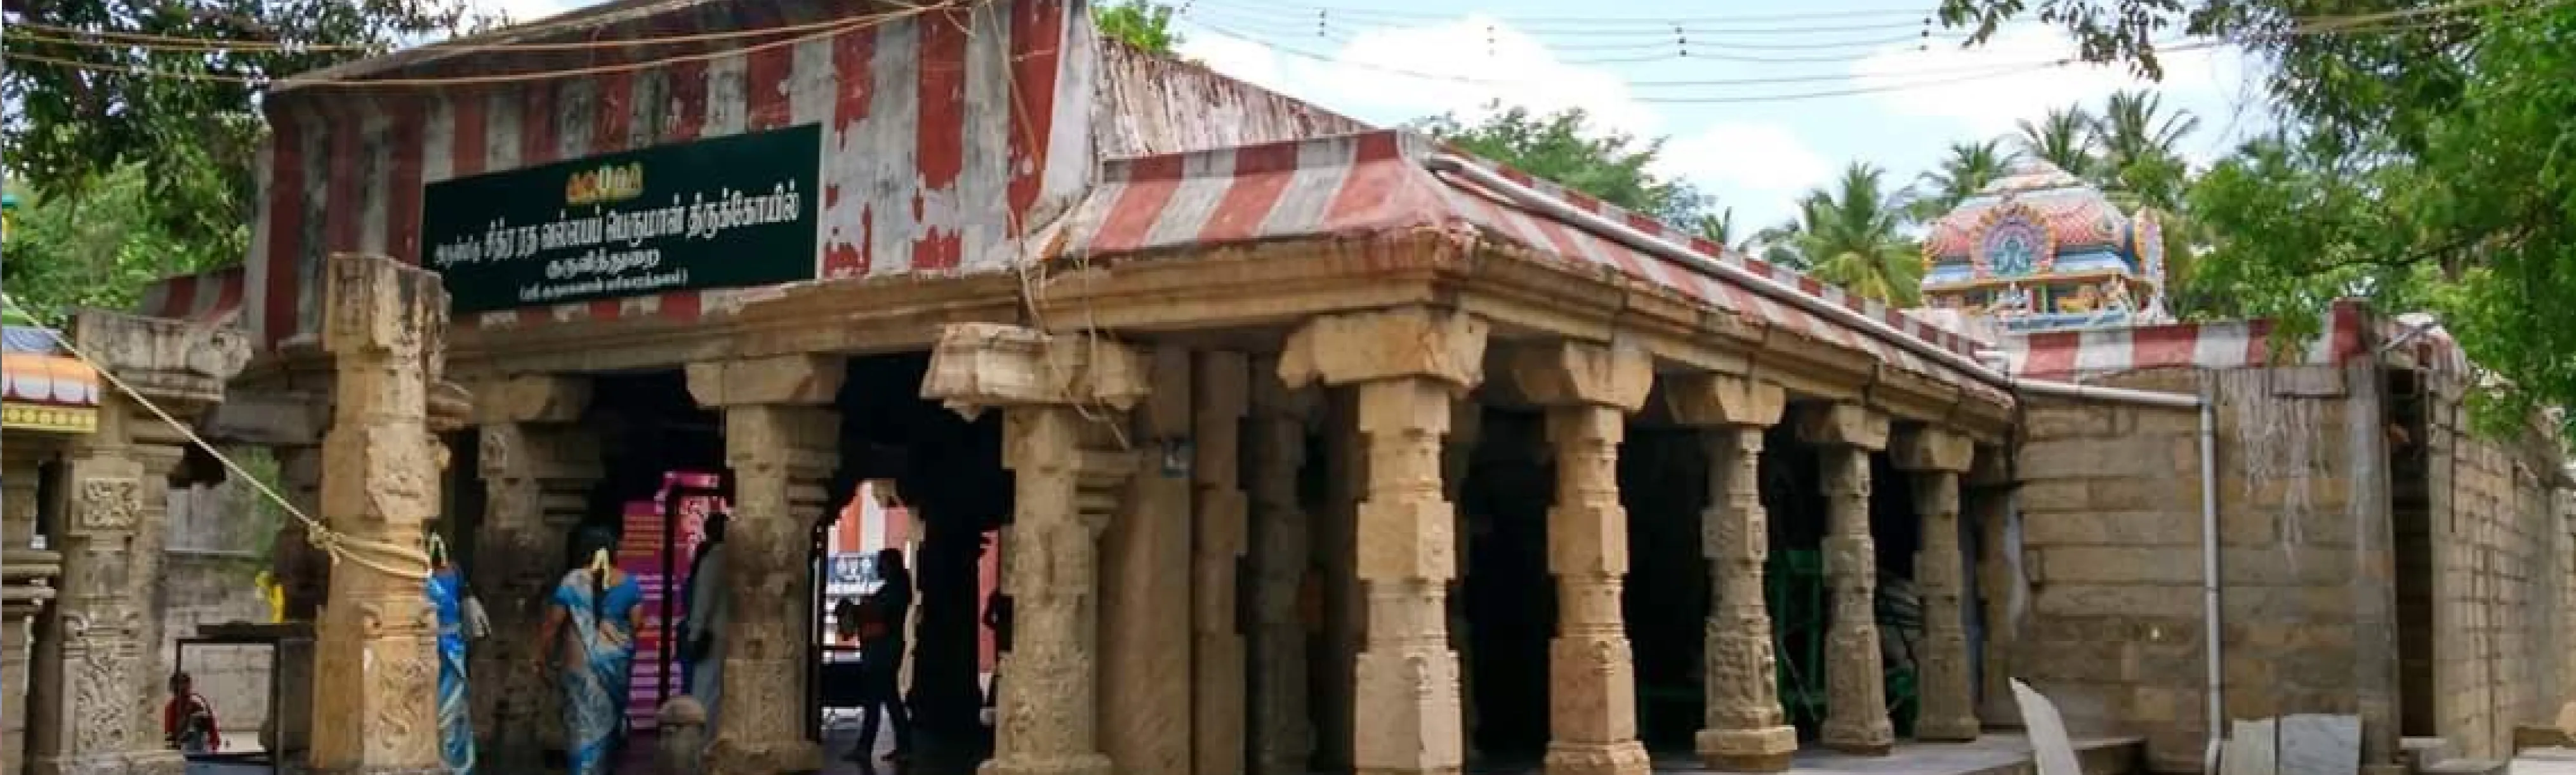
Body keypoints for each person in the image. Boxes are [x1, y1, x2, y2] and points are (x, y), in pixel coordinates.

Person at [537, 532, 645, 775]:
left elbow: (553, 623)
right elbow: (638, 624)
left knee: (581, 727)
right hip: (615, 667)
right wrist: (612, 633)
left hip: (580, 665)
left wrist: (542, 657)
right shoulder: (629, 584)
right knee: (609, 724)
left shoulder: (572, 582)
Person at [850, 548, 913, 765]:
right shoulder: (894, 589)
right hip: (883, 651)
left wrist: (859, 609)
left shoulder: (895, 591)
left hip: (883, 652)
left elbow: (880, 613)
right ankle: (900, 746)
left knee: (878, 699)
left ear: (891, 566)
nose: (878, 567)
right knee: (887, 699)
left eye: (882, 564)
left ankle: (867, 747)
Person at [428, 536, 477, 775]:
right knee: (454, 709)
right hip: (454, 647)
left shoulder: (424, 578)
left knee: (441, 710)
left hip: (440, 648)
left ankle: (445, 762)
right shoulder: (455, 572)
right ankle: (458, 765)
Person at [680, 511, 729, 734]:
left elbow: (703, 600)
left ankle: (701, 747)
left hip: (711, 636)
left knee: (704, 693)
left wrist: (694, 635)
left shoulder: (714, 558)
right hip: (730, 634)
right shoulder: (737, 558)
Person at [162, 672, 220, 754]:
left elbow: (213, 733)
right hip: (180, 751)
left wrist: (213, 748)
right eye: (177, 689)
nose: (181, 693)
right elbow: (169, 735)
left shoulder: (198, 705)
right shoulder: (170, 708)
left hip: (199, 752)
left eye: (184, 688)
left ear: (189, 687)